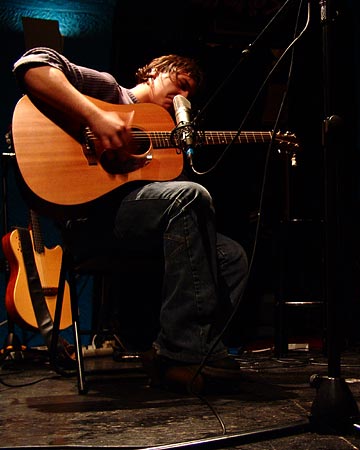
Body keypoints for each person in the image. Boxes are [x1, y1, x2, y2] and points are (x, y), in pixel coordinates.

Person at [12, 47, 249, 394]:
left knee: (232, 257)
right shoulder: (108, 91)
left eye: (190, 94)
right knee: (190, 195)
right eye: (180, 83)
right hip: (93, 226)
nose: (183, 97)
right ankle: (183, 356)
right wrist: (96, 117)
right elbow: (31, 65)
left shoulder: (165, 135)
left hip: (140, 229)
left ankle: (172, 351)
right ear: (155, 72)